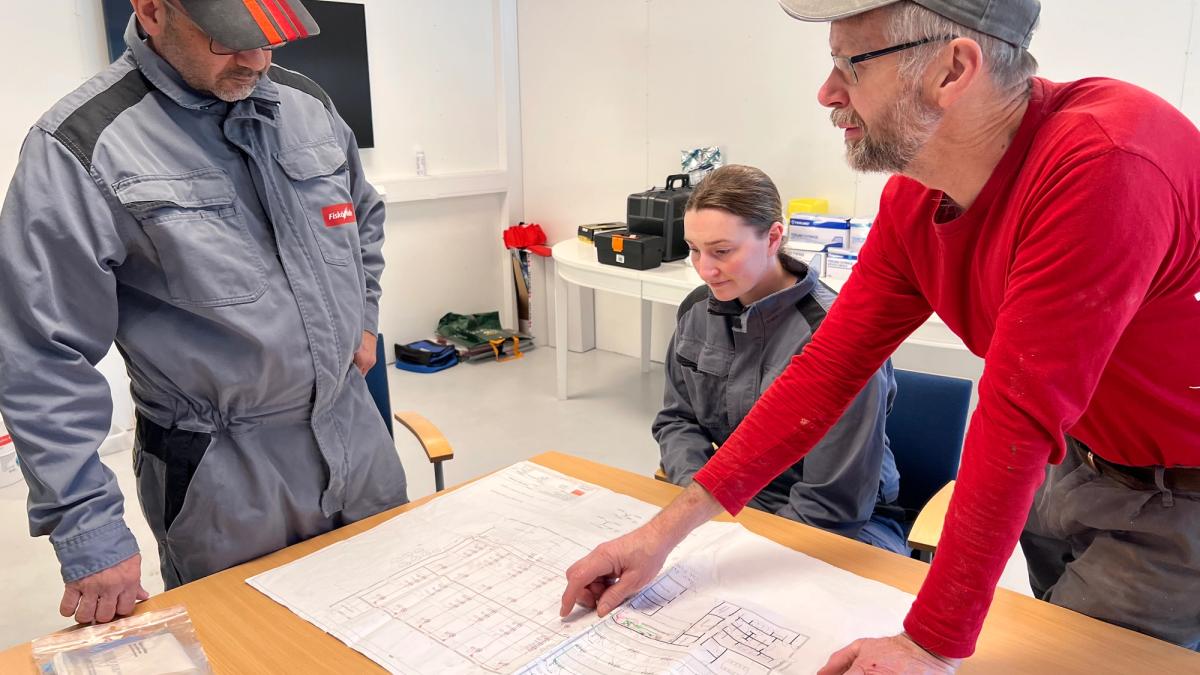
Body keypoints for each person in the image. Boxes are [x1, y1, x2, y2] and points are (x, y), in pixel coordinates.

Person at [560, 0, 1200, 671]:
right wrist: (662, 534)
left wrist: (930, 642)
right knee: (1046, 628)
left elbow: (1016, 415)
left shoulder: (1107, 162)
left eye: (850, 65)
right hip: (1076, 458)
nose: (828, 92)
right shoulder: (919, 197)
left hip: (1178, 494)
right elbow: (824, 371)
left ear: (953, 69)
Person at [0, 0, 408, 626]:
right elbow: (39, 355)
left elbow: (363, 215)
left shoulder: (305, 104)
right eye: (230, 40)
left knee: (393, 620)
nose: (257, 60)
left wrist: (365, 314)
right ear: (153, 11)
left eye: (270, 39)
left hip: (356, 438)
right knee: (255, 645)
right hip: (222, 472)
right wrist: (89, 532)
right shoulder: (81, 145)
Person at [656, 164, 907, 555]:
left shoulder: (837, 337)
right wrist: (696, 500)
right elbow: (677, 420)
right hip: (727, 501)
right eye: (693, 249)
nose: (705, 269)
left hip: (843, 527)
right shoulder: (697, 312)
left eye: (722, 251)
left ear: (774, 237)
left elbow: (831, 506)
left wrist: (733, 542)